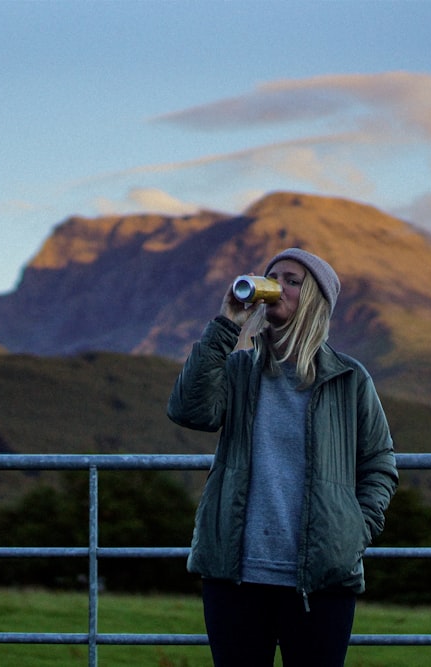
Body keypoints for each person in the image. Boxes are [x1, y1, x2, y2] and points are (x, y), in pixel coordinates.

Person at [167, 247, 398, 667]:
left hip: (321, 582)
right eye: (272, 277)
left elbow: (379, 465)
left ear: (314, 298)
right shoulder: (238, 371)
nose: (277, 286)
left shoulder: (349, 379)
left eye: (292, 280)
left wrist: (352, 533)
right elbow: (188, 410)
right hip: (235, 578)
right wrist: (226, 323)